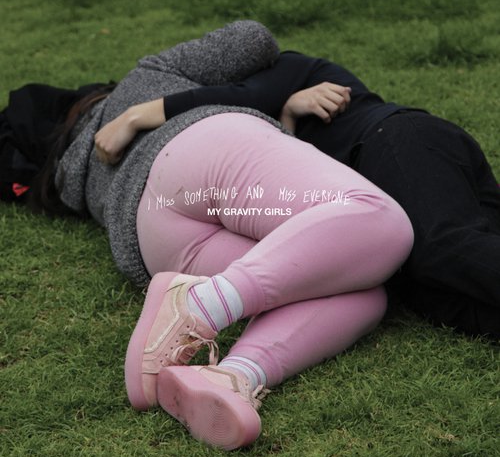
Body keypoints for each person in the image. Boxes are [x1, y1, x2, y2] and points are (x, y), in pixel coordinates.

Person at [1, 21, 413, 450]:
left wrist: (286, 115)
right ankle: (200, 305)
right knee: (380, 220)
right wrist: (262, 97)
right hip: (204, 152)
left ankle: (232, 376)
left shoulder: (75, 176)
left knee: (364, 292)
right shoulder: (145, 78)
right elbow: (252, 38)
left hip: (154, 236)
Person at [99, 30, 500, 339]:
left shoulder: (292, 68)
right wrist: (289, 116)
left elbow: (246, 93)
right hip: (392, 187)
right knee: (432, 294)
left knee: (444, 248)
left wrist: (136, 116)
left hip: (393, 141)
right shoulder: (276, 115)